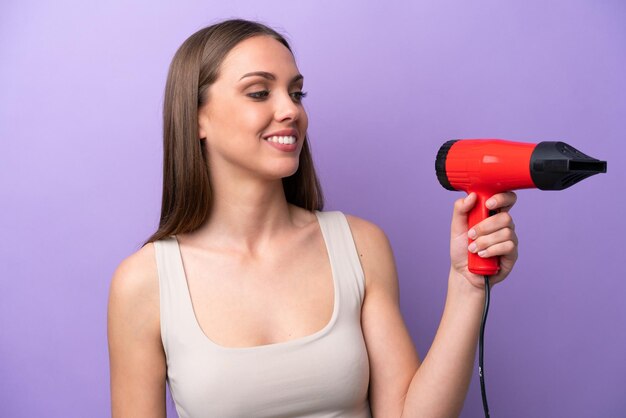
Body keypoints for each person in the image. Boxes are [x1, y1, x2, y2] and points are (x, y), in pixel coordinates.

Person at [107, 19, 518, 418]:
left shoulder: (359, 245)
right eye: (258, 93)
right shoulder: (145, 283)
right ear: (197, 117)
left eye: (297, 93)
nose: (290, 110)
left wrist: (466, 287)